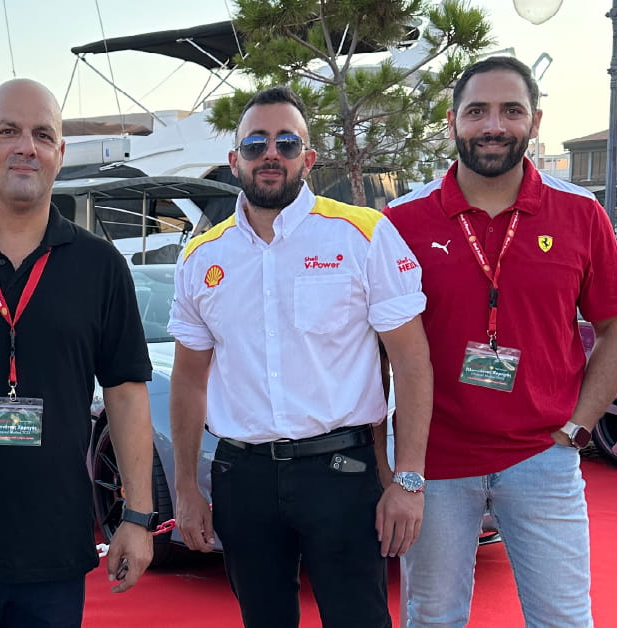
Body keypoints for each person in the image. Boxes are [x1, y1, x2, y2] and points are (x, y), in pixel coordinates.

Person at [383, 56, 617, 628]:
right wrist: (393, 464)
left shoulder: (580, 213)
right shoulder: (402, 220)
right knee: (433, 619)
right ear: (453, 122)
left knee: (563, 620)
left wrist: (578, 427)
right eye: (477, 111)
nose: (493, 125)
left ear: (535, 121)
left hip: (542, 457)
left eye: (511, 111)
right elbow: (376, 349)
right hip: (436, 462)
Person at [167, 85, 434, 628]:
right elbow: (189, 379)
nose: (271, 154)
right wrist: (186, 487)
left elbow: (411, 363)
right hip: (242, 477)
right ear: (234, 160)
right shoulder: (201, 256)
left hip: (342, 473)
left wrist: (408, 479)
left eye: (286, 143)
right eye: (256, 143)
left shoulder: (363, 234)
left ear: (308, 159)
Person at [0, 78, 156, 627]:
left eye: (42, 135)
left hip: (54, 552)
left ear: (60, 153)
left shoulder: (100, 266)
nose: (26, 147)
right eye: (7, 132)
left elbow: (125, 392)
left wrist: (137, 515)